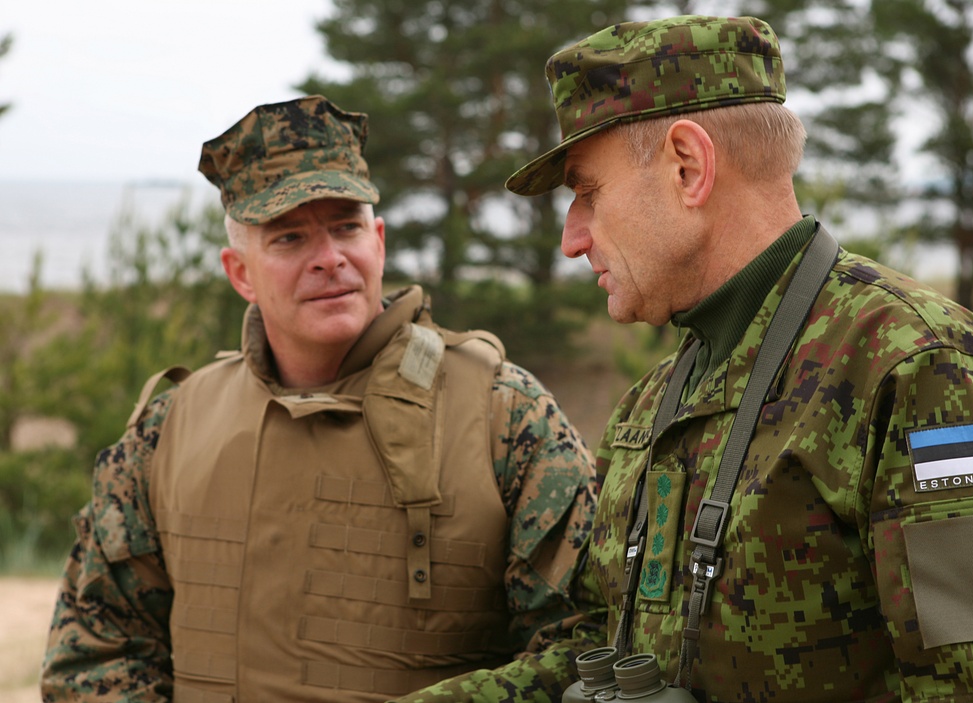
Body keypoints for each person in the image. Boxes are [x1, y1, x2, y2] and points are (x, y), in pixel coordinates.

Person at [393, 14, 973, 702]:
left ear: (688, 166)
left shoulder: (917, 368)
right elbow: (596, 645)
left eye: (587, 192)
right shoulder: (652, 404)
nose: (572, 238)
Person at [40, 95, 603, 703]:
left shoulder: (502, 413)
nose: (330, 258)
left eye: (346, 226)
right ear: (240, 273)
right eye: (289, 237)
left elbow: (584, 648)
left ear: (378, 242)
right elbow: (94, 655)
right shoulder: (170, 428)